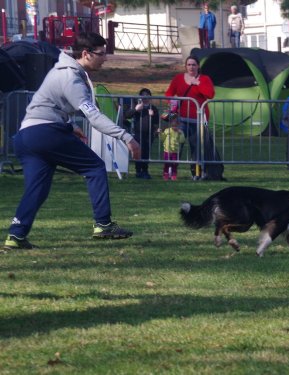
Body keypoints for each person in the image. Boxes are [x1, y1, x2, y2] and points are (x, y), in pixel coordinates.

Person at [3, 32, 141, 251]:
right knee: (94, 167)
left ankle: (16, 235)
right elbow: (93, 117)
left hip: (26, 136)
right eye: (101, 54)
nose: (105, 58)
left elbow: (47, 105)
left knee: (36, 189)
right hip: (45, 133)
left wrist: (70, 125)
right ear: (86, 54)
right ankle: (103, 224)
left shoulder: (60, 71)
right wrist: (127, 137)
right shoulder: (71, 77)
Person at [164, 55, 215, 179]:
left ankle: (196, 173)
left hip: (199, 120)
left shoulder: (204, 79)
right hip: (181, 120)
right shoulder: (178, 78)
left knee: (196, 149)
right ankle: (172, 172)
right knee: (176, 146)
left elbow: (210, 94)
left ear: (198, 66)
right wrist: (172, 101)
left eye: (193, 64)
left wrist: (198, 84)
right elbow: (169, 93)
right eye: (189, 64)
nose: (191, 67)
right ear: (185, 66)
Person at [125, 88, 159, 179]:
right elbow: (127, 115)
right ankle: (138, 171)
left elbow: (156, 122)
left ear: (150, 97)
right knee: (138, 151)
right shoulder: (137, 106)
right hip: (138, 133)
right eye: (143, 95)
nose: (145, 97)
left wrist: (153, 116)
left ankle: (145, 171)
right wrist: (135, 110)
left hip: (149, 134)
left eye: (147, 95)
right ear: (140, 97)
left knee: (146, 153)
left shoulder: (153, 108)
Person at [159, 113, 186, 181]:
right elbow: (162, 138)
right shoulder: (167, 130)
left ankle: (174, 175)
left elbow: (182, 141)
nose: (174, 127)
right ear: (170, 124)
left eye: (176, 125)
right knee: (167, 164)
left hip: (175, 151)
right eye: (173, 125)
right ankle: (166, 174)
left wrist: (181, 134)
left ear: (178, 125)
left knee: (174, 164)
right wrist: (160, 133)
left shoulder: (180, 132)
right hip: (167, 151)